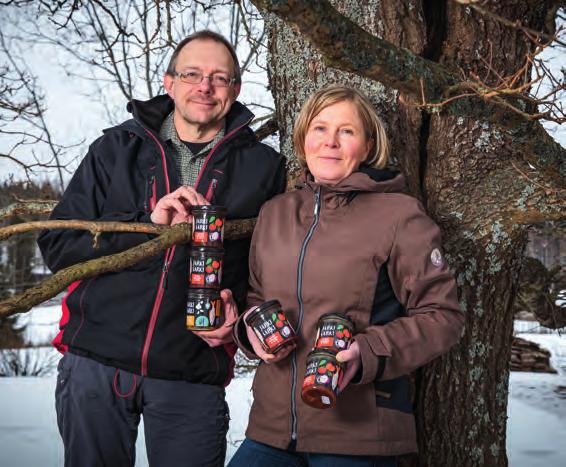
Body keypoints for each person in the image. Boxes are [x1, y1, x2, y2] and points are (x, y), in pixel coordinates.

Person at [37, 30, 286, 467]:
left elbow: (269, 274)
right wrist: (147, 227)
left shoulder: (265, 169)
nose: (204, 87)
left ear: (236, 90)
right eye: (191, 74)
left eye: (219, 78)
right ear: (169, 83)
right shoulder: (115, 150)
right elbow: (58, 246)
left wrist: (238, 322)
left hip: (191, 372)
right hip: (96, 363)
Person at [229, 86, 465, 467]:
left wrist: (367, 351)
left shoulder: (399, 215)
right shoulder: (275, 212)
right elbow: (257, 299)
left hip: (357, 435)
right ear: (304, 136)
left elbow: (444, 317)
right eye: (320, 128)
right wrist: (250, 330)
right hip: (270, 429)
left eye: (347, 131)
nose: (330, 142)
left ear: (369, 144)